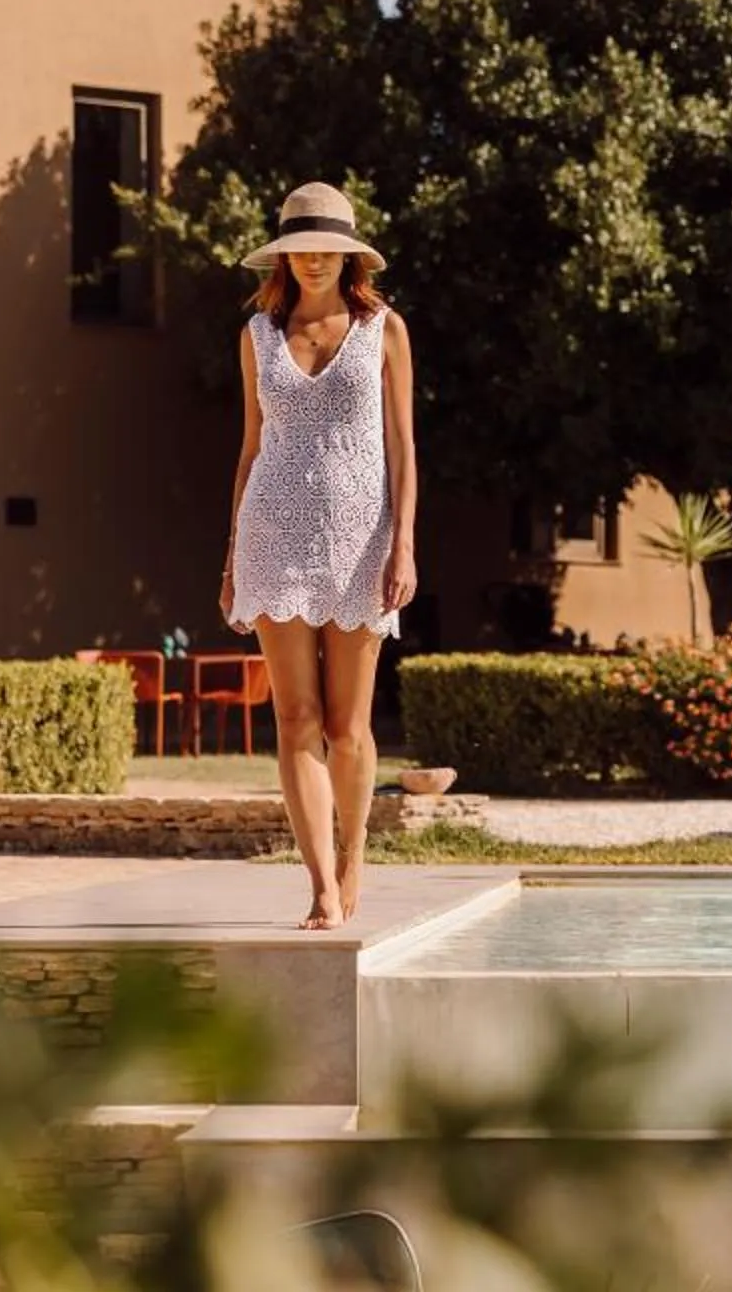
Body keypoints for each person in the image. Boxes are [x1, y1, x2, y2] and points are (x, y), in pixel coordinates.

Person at [221, 182, 418, 930]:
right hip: (272, 536)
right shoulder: (257, 336)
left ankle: (354, 852)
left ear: (348, 256)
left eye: (326, 249)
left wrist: (404, 544)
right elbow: (250, 449)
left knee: (349, 726)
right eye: (300, 249)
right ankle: (321, 887)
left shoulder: (383, 330)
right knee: (295, 716)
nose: (313, 261)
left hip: (361, 543)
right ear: (284, 256)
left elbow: (402, 448)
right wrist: (231, 560)